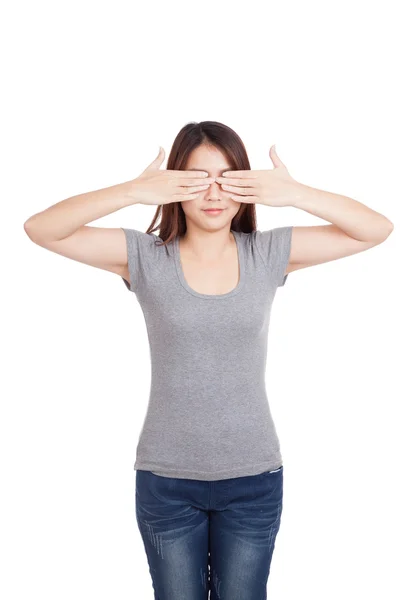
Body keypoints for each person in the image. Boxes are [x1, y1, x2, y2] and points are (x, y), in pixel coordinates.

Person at [23, 121, 394, 599]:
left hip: (253, 479)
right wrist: (134, 191)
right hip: (167, 481)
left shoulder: (267, 253)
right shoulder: (145, 256)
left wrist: (296, 193)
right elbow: (40, 229)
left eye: (228, 178)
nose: (213, 193)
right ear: (174, 185)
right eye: (197, 179)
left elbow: (376, 229)